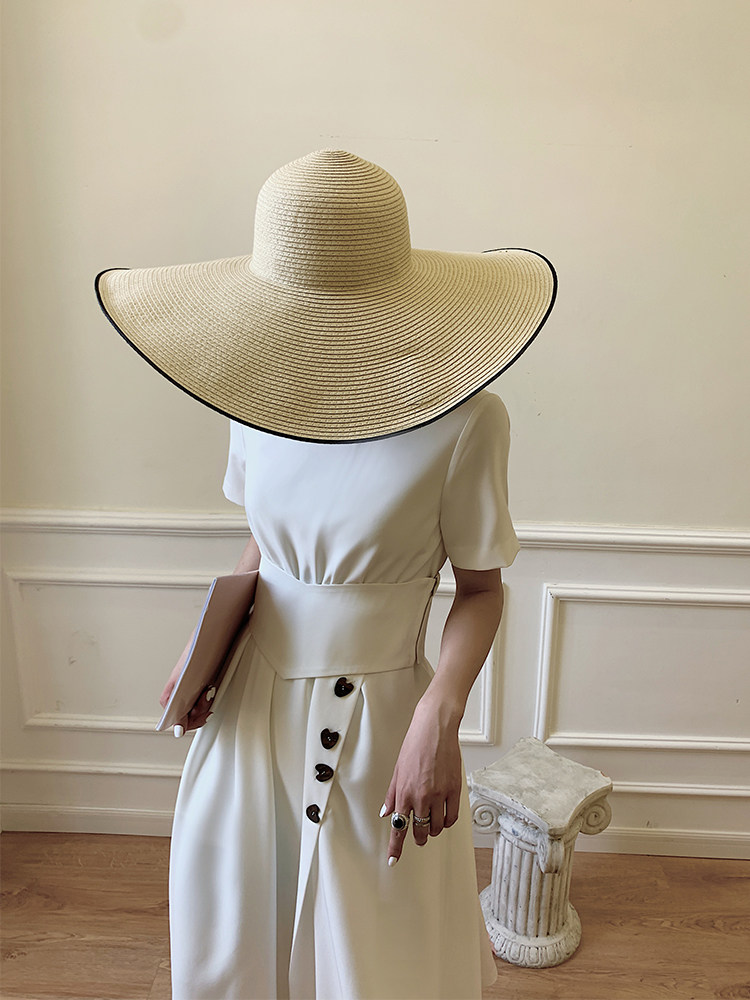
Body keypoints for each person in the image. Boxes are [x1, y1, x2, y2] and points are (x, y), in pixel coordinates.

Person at [95, 149, 556, 999]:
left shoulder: (467, 422)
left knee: (372, 946)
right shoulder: (249, 395)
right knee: (236, 915)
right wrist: (207, 651)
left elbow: (482, 591)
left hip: (379, 719)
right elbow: (264, 545)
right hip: (248, 706)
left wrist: (438, 720)